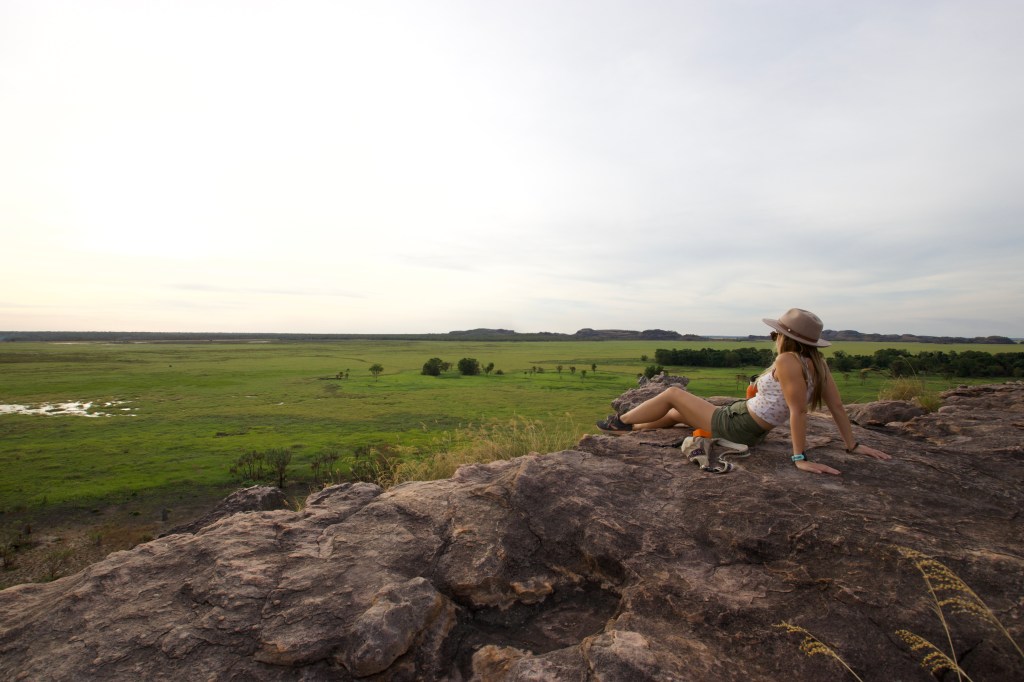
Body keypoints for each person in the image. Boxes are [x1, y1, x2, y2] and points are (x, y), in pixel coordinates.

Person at [597, 308, 891, 475]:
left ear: (784, 337)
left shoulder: (787, 360)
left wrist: (800, 458)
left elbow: (798, 410)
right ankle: (634, 428)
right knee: (675, 413)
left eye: (775, 334)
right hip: (746, 423)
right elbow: (838, 408)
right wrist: (851, 445)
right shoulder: (817, 363)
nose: (773, 338)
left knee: (673, 393)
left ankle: (618, 422)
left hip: (740, 425)